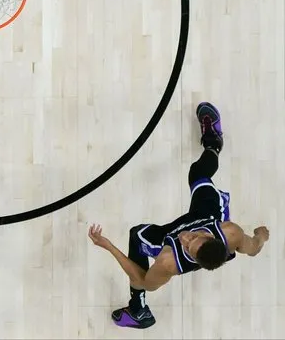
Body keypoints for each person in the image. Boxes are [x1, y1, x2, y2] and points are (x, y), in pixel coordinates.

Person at [87, 102, 270, 329]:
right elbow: (252, 248)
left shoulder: (168, 261)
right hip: (206, 216)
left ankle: (137, 311)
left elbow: (142, 280)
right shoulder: (230, 232)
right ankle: (213, 141)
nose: (185, 238)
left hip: (166, 239)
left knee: (137, 236)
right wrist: (261, 237)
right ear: (212, 236)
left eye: (187, 246)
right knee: (198, 173)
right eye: (194, 238)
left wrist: (107, 245)